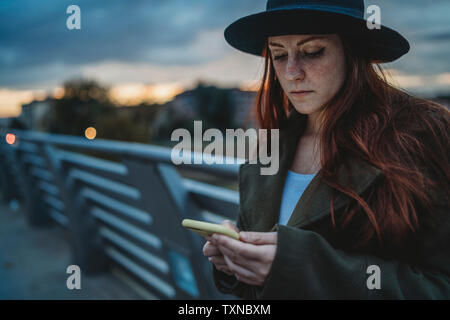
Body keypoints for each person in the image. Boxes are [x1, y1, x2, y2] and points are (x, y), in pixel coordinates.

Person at [202, 0, 450, 299]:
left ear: (352, 50)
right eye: (279, 55)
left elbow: (439, 284)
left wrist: (301, 266)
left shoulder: (420, 134)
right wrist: (236, 260)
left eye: (311, 52)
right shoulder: (271, 147)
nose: (292, 73)